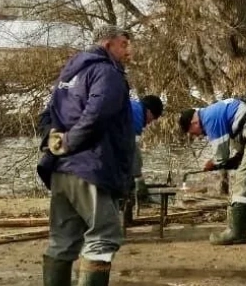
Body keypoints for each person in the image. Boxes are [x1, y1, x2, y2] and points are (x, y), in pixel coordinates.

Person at [36, 27, 135, 286]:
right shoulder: (107, 73)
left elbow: (47, 116)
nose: (128, 52)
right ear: (107, 44)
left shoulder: (69, 72)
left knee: (62, 239)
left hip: (60, 169)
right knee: (103, 237)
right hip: (91, 166)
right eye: (123, 45)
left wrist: (55, 141)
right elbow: (98, 114)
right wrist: (70, 142)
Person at [178, 94, 246, 245]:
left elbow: (220, 157)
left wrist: (211, 164)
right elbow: (240, 137)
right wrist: (236, 158)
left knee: (244, 177)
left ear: (194, 122)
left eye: (193, 133)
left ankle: (236, 232)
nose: (197, 136)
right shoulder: (216, 110)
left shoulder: (209, 119)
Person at [123, 95, 164, 223]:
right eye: (153, 118)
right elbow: (132, 150)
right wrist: (139, 177)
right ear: (149, 111)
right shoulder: (137, 115)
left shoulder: (132, 107)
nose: (150, 123)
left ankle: (125, 218)